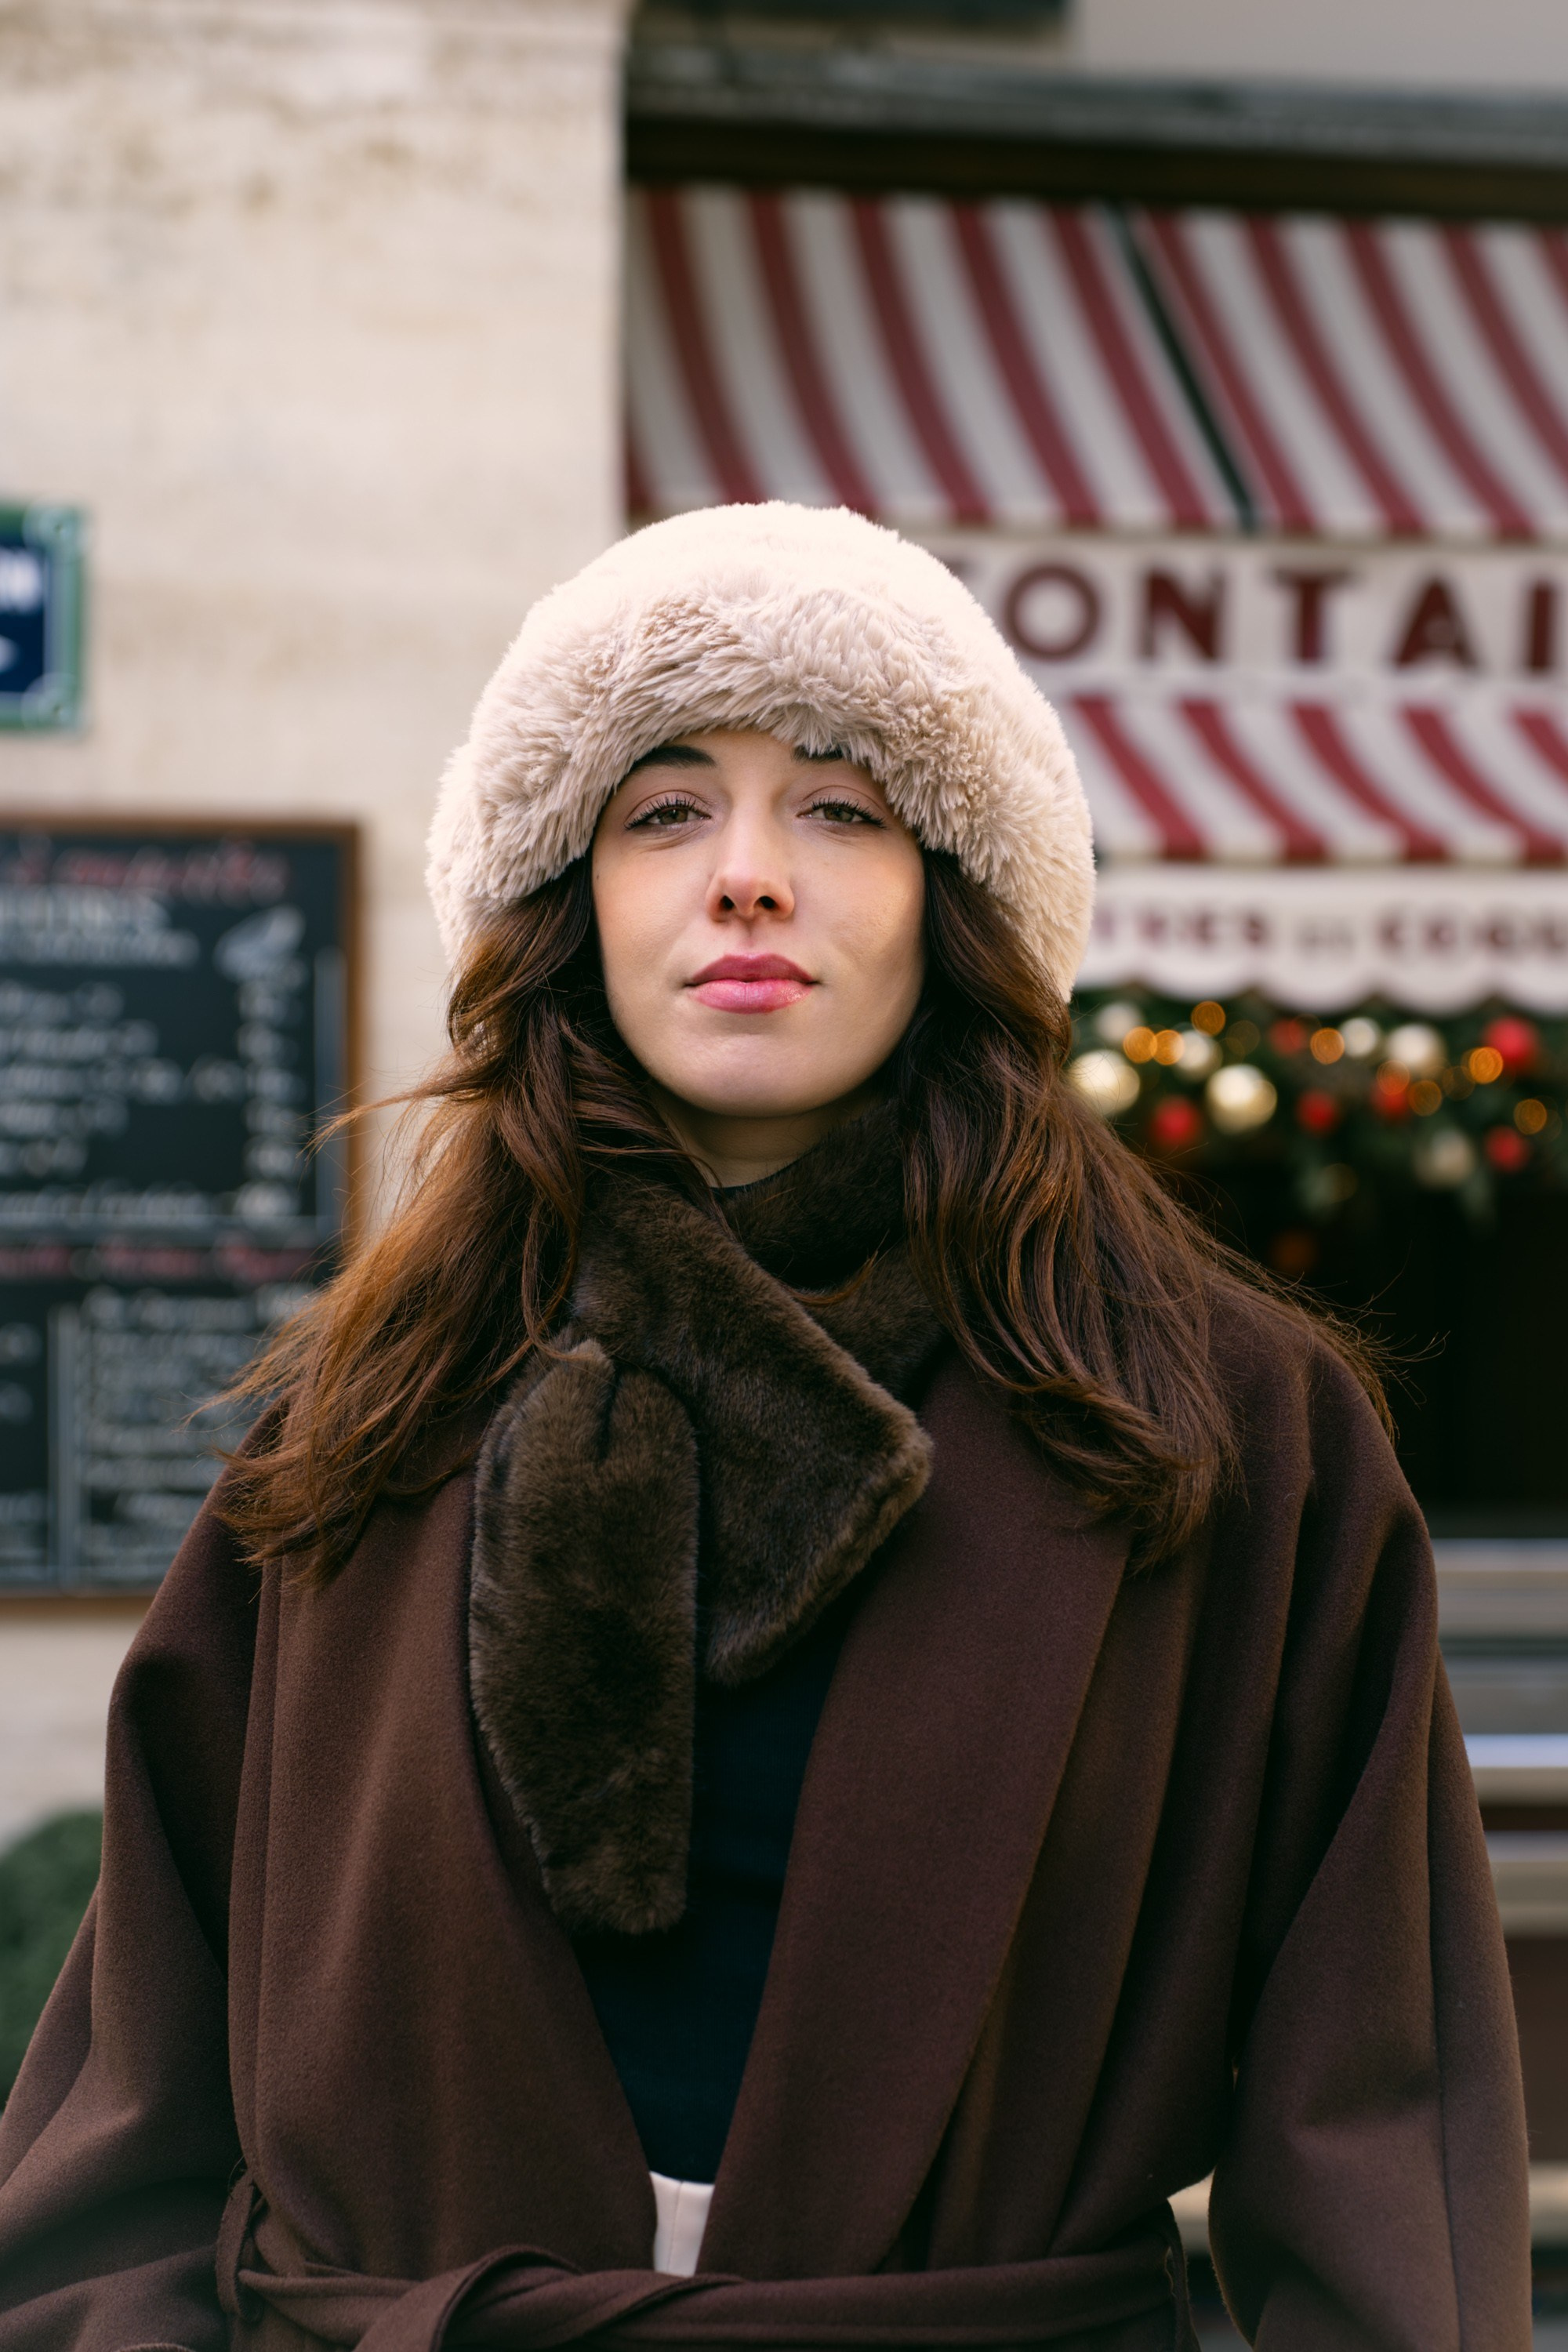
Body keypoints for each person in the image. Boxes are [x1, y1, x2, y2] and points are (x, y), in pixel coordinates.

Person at [0, 504, 1530, 2352]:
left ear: (949, 895)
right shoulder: (365, 1416)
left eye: (838, 806)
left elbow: (1379, 2124)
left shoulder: (1222, 1429)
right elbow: (129, 2116)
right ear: (571, 901)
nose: (744, 876)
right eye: (662, 810)